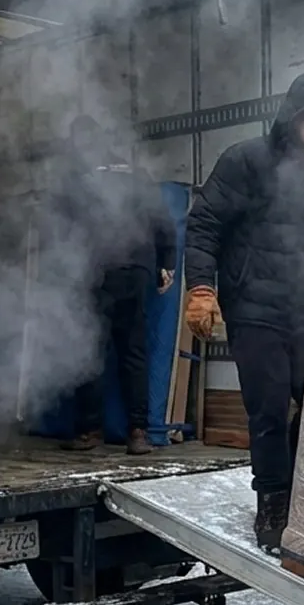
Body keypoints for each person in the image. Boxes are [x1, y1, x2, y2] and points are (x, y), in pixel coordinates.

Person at [182, 73, 304, 553]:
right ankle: (273, 504)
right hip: (254, 308)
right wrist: (201, 288)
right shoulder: (246, 161)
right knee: (269, 408)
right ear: (294, 119)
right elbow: (204, 223)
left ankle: (301, 489)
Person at [54, 114, 175, 456]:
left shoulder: (76, 181)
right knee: (133, 352)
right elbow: (164, 222)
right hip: (135, 271)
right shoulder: (138, 177)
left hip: (93, 272)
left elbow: (60, 230)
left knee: (89, 353)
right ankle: (138, 432)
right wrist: (167, 264)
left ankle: (89, 431)